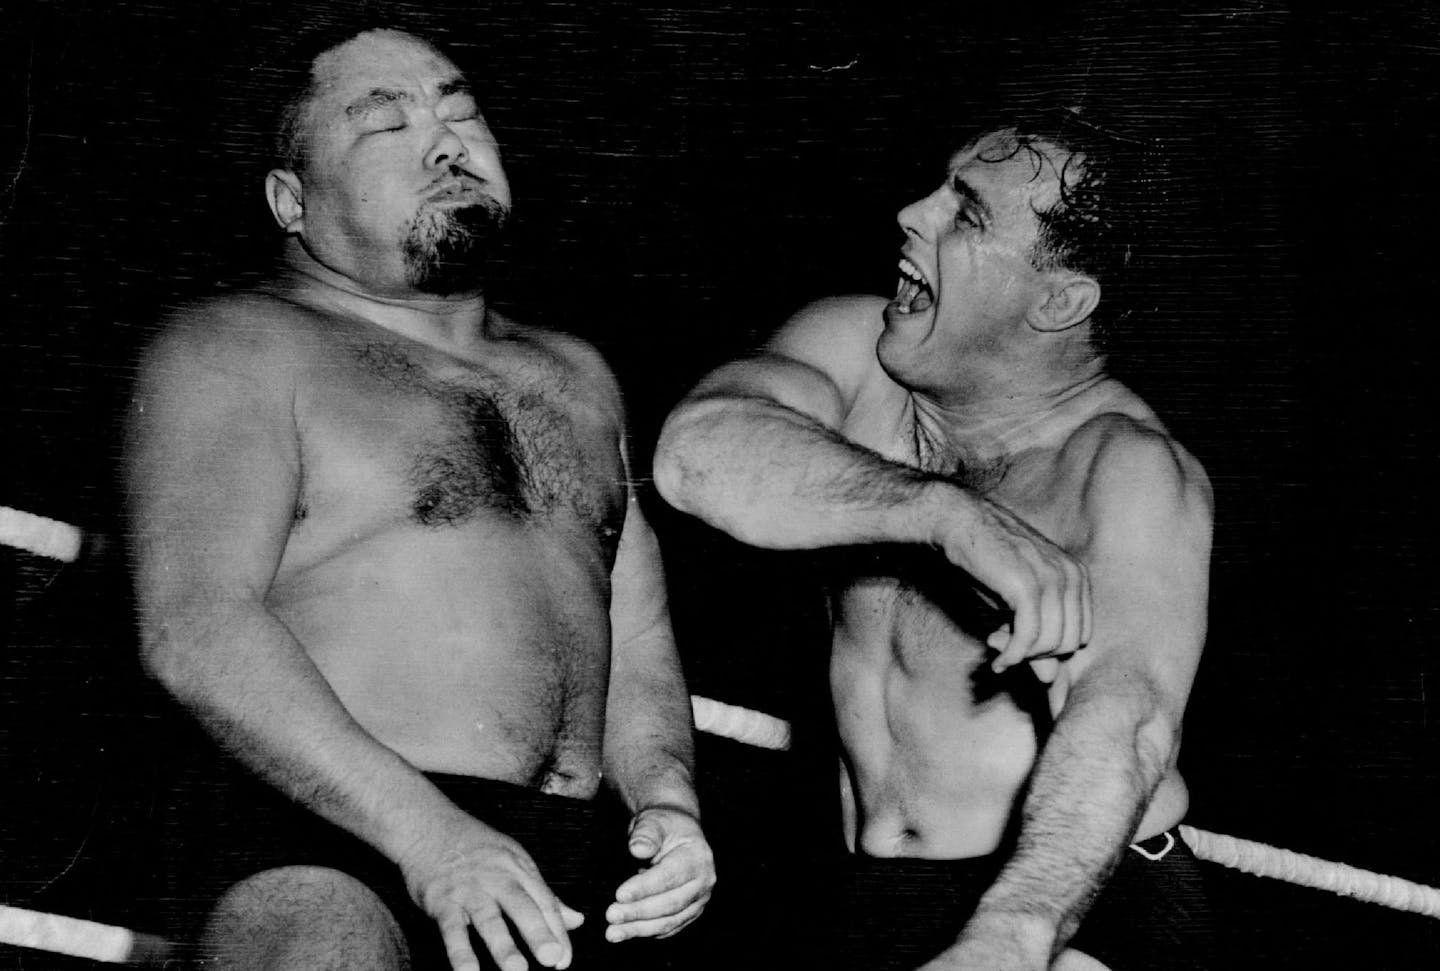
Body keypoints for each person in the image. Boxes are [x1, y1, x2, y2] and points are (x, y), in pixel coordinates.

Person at [124, 26, 713, 971]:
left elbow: (638, 640)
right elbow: (194, 622)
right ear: (292, 198)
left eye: (461, 110)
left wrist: (666, 805)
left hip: (556, 868)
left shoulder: (577, 377)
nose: (447, 142)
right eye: (384, 125)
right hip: (334, 834)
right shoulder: (236, 346)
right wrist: (429, 835)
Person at [653, 115, 1212, 970]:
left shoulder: (1129, 469)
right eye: (936, 187)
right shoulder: (863, 354)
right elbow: (695, 455)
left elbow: (1124, 720)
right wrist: (948, 515)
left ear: (1057, 299)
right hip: (868, 892)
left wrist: (1011, 937)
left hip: (1070, 895)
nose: (913, 213)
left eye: (967, 212)